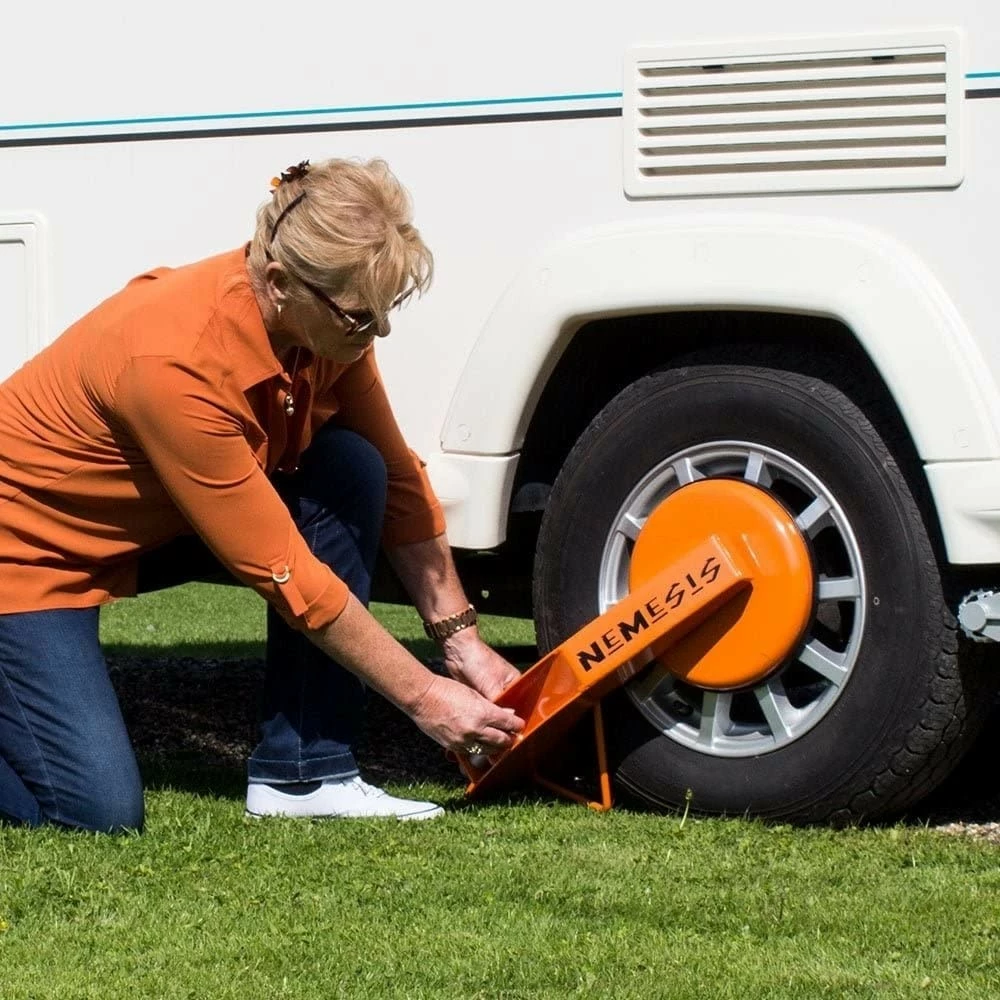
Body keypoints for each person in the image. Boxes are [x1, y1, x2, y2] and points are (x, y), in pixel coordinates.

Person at [0, 157, 525, 832]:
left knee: (350, 465)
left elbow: (397, 476)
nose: (377, 334)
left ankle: (304, 775)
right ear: (280, 283)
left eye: (385, 311)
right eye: (361, 317)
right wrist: (428, 699)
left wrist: (462, 642)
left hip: (141, 529)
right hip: (23, 559)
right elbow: (286, 572)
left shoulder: (322, 324)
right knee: (94, 814)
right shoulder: (172, 363)